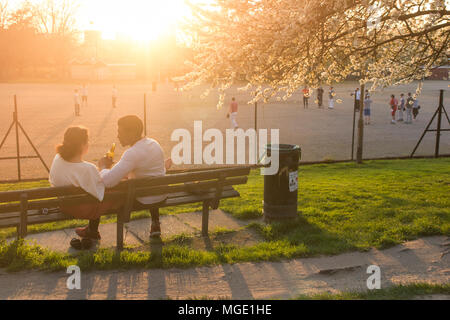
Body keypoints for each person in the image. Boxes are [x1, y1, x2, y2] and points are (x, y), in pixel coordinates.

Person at [98, 115, 172, 238]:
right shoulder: (154, 144)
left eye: (120, 132)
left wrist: (103, 167)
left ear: (131, 133)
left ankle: (94, 230)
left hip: (143, 200)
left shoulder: (132, 153)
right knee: (147, 182)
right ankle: (155, 222)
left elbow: (108, 181)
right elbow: (153, 170)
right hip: (162, 196)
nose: (118, 136)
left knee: (117, 188)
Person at [49, 126, 118, 241]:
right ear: (82, 144)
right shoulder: (87, 169)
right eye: (87, 141)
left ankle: (92, 231)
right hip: (82, 209)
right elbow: (100, 192)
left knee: (91, 192)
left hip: (64, 204)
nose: (88, 143)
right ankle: (92, 231)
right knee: (114, 190)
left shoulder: (57, 158)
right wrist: (104, 168)